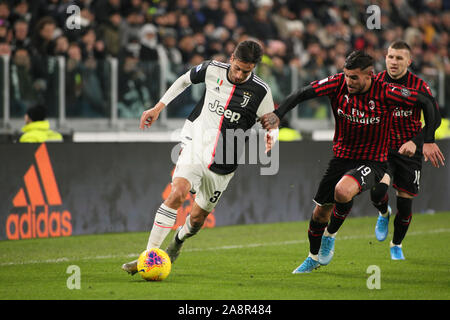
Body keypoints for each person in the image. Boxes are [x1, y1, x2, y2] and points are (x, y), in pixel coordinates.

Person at [260, 50, 441, 273]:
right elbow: (302, 93)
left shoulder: (386, 91)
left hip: (373, 160)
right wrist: (279, 113)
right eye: (346, 75)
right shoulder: (337, 84)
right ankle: (312, 258)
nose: (348, 81)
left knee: (343, 191)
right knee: (319, 213)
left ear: (369, 75)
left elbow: (427, 103)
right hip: (341, 158)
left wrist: (428, 140)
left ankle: (331, 235)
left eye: (354, 77)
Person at [122, 40, 278, 275]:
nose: (239, 74)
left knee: (196, 220)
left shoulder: (260, 90)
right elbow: (184, 80)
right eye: (237, 68)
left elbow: (271, 121)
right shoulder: (211, 69)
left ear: (254, 67)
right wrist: (158, 107)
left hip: (225, 161)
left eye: (246, 71)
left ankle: (178, 242)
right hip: (196, 144)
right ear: (232, 57)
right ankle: (149, 256)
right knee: (177, 193)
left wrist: (271, 137)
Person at [370, 41, 445, 260]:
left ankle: (396, 244)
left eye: (399, 58)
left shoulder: (419, 86)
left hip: (408, 151)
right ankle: (383, 213)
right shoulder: (374, 82)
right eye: (391, 57)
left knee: (404, 203)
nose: (394, 62)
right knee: (377, 190)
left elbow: (435, 118)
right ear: (385, 58)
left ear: (408, 62)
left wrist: (416, 141)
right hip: (381, 148)